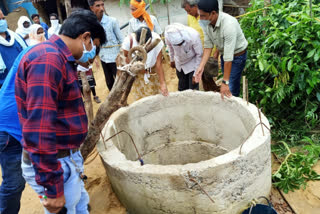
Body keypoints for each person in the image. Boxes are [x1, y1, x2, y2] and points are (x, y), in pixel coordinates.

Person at [15, 9, 106, 214]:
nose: (92, 55)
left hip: (65, 158)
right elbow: (39, 128)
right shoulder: (48, 60)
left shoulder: (57, 58)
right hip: (55, 162)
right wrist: (53, 187)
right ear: (85, 37)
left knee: (80, 205)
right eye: (94, 46)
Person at [195, 0, 248, 98]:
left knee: (229, 87)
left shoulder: (229, 25)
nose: (200, 19)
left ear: (213, 13)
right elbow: (208, 46)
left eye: (203, 16)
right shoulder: (206, 23)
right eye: (200, 15)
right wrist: (201, 67)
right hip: (225, 55)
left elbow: (229, 58)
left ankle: (234, 105)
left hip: (237, 56)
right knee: (227, 83)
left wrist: (225, 82)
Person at [182, 0, 220, 92]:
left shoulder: (206, 15)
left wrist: (216, 53)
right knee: (202, 77)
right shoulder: (189, 17)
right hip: (197, 54)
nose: (188, 13)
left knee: (209, 76)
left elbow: (218, 35)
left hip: (210, 52)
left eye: (189, 11)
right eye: (186, 11)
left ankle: (216, 92)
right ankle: (209, 93)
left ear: (195, 6)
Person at [122, 27, 168, 100]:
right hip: (138, 75)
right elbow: (126, 56)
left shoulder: (156, 40)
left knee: (156, 97)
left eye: (147, 43)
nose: (144, 45)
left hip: (153, 72)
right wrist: (137, 68)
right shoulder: (128, 41)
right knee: (141, 99)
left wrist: (163, 83)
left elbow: (158, 63)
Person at [89, 0, 123, 91]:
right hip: (103, 57)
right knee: (109, 82)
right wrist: (95, 57)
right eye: (98, 6)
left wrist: (123, 56)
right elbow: (92, 43)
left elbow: (121, 40)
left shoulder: (112, 21)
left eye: (102, 5)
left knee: (119, 82)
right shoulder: (92, 24)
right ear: (91, 8)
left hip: (115, 58)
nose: (101, 8)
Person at [165, 23, 202, 91]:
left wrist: (195, 74)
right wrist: (172, 59)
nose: (179, 46)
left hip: (192, 63)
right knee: (182, 88)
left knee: (193, 89)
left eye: (181, 43)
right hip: (179, 64)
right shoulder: (168, 35)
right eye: (177, 45)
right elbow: (170, 47)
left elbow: (199, 55)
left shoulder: (193, 36)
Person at [0, 9, 27, 89]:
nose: (2, 22)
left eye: (3, 18)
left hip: (25, 83)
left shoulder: (16, 38)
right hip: (5, 89)